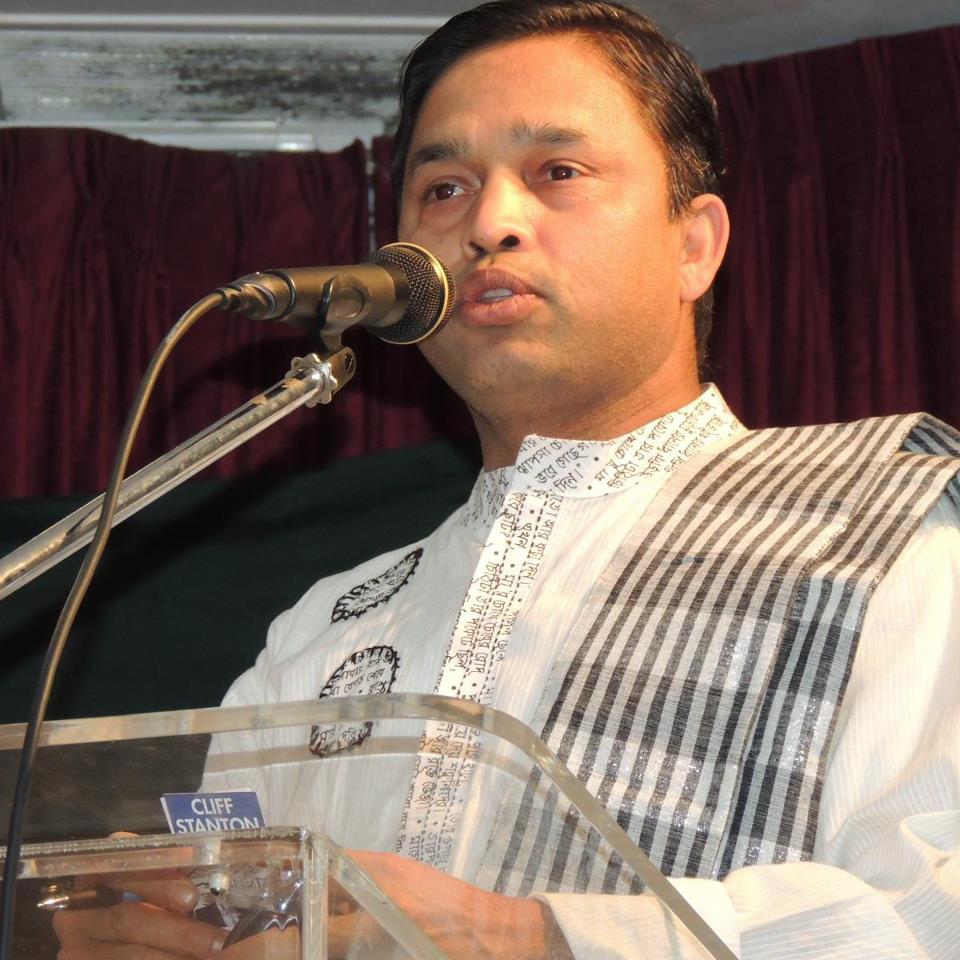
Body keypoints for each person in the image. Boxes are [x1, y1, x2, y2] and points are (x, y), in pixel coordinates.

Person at [53, 2, 960, 959]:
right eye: (444, 188)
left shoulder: (888, 535)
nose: (489, 223)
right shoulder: (324, 630)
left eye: (557, 171)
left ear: (693, 244)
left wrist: (537, 938)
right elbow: (229, 907)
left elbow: (934, 907)